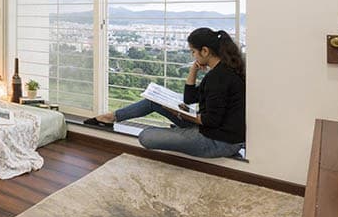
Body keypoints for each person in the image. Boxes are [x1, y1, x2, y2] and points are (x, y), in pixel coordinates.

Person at [84, 28, 246, 159]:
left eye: (193, 52)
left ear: (205, 51)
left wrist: (178, 113)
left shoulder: (220, 78)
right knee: (153, 101)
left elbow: (211, 120)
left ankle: (182, 133)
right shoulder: (218, 72)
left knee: (146, 136)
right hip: (211, 130)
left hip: (219, 141)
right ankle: (110, 117)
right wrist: (194, 70)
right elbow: (190, 98)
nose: (192, 56)